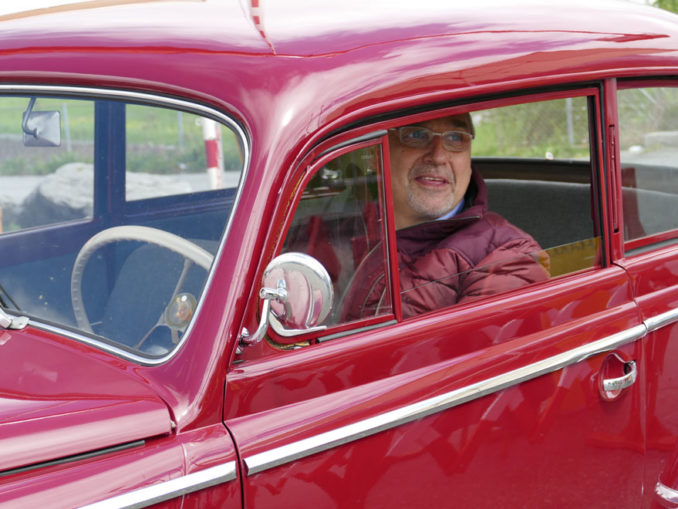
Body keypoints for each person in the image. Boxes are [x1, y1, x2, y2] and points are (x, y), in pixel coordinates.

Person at [343, 113, 549, 319]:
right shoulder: (339, 226)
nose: (438, 156)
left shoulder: (508, 258)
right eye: (416, 135)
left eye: (456, 138)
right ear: (374, 153)